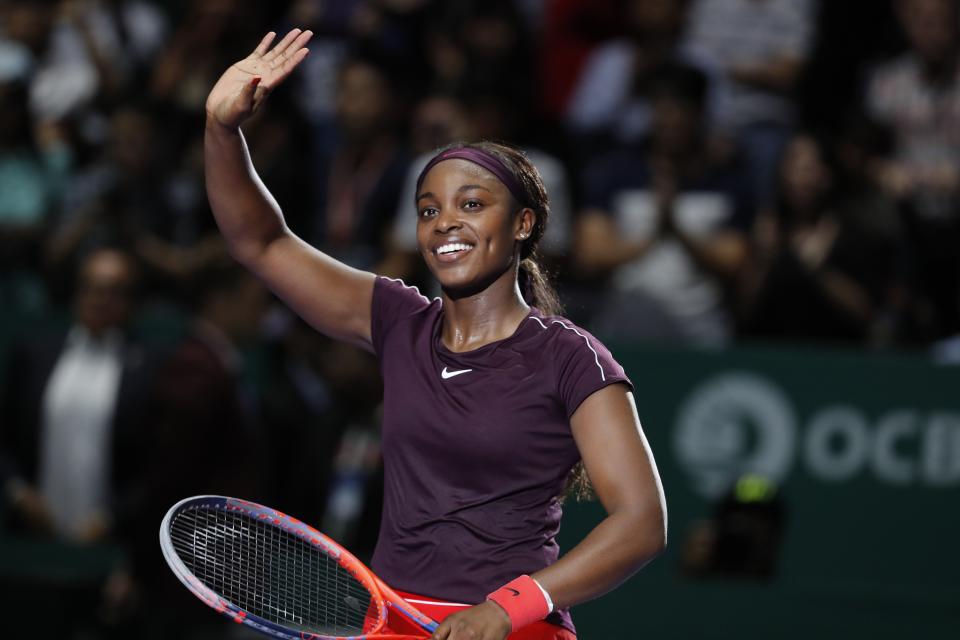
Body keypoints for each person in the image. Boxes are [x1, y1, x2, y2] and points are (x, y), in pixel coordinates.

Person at [203, 28, 666, 640]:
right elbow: (259, 241)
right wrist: (222, 130)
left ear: (524, 223)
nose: (446, 222)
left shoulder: (570, 356)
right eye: (428, 209)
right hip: (393, 622)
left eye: (471, 205)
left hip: (514, 627)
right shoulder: (399, 322)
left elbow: (641, 522)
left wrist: (508, 607)